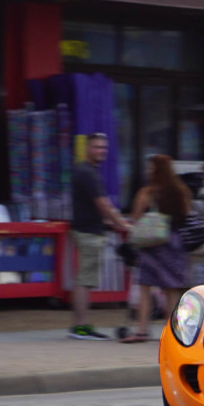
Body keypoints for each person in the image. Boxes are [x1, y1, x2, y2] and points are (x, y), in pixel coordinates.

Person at [120, 154, 193, 343]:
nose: (147, 171)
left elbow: (135, 218)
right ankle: (172, 333)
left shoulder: (148, 193)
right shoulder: (181, 191)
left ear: (156, 170)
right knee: (171, 290)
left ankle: (142, 331)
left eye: (150, 168)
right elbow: (185, 215)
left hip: (151, 245)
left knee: (145, 288)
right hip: (174, 243)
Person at [69, 133, 128, 340]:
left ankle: (81, 325)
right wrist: (121, 224)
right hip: (88, 232)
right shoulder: (87, 173)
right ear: (87, 148)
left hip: (89, 229)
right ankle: (81, 327)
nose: (101, 151)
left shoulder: (87, 171)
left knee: (85, 279)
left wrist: (114, 222)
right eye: (97, 147)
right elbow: (102, 204)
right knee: (84, 280)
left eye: (104, 148)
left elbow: (100, 205)